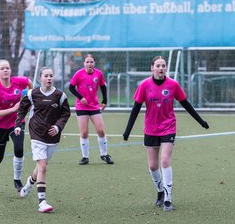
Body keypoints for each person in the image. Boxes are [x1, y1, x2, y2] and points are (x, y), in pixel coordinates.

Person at [123, 56, 209, 212]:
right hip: (150, 129)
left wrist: (200, 121)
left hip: (168, 127)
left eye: (163, 65)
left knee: (164, 161)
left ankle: (168, 199)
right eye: (158, 65)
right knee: (153, 165)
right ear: (152, 68)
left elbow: (186, 104)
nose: (161, 68)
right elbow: (135, 108)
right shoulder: (144, 86)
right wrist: (128, 130)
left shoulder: (173, 85)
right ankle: (160, 192)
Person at [15, 67, 71, 213]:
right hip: (36, 134)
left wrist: (58, 127)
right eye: (46, 76)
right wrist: (18, 125)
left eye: (51, 75)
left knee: (41, 166)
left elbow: (66, 114)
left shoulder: (60, 95)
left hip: (52, 137)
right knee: (43, 166)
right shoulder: (31, 94)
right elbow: (22, 109)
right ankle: (42, 202)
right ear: (40, 78)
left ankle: (28, 184)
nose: (49, 78)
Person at [0, 59, 33, 194]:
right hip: (0, 126)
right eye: (2, 68)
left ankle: (17, 180)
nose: (5, 70)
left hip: (17, 122)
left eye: (7, 68)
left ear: (10, 70)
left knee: (19, 149)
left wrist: (30, 99)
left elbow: (29, 83)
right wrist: (13, 109)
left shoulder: (18, 81)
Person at [69, 54, 114, 165]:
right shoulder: (78, 74)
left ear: (94, 63)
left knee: (101, 131)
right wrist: (80, 98)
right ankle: (85, 157)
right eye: (87, 62)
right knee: (84, 133)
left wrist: (104, 101)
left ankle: (104, 154)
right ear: (84, 63)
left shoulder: (98, 73)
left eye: (91, 62)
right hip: (81, 106)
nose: (89, 64)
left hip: (94, 106)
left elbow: (103, 86)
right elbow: (71, 87)